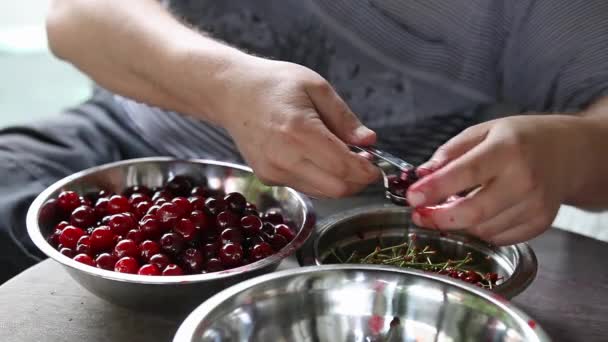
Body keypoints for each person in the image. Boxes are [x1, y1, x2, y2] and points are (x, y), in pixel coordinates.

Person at [1, 0, 608, 283]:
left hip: (356, 233)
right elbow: (76, 17)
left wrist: (569, 149)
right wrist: (226, 86)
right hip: (125, 154)